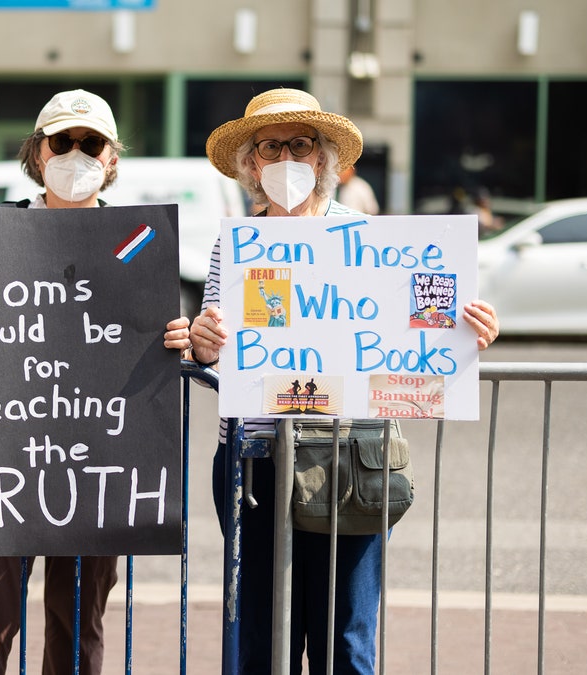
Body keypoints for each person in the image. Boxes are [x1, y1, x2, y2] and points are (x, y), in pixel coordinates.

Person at [188, 88, 500, 674]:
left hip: (349, 454)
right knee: (257, 635)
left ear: (324, 159)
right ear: (251, 164)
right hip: (253, 459)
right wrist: (205, 347)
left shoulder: (370, 238)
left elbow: (424, 321)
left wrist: (469, 329)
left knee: (345, 639)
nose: (285, 159)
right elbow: (220, 356)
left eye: (299, 145)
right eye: (270, 147)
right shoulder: (232, 248)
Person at [0, 89, 192, 674]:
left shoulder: (137, 245)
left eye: (91, 142)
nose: (76, 153)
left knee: (78, 630)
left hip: (97, 472)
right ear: (38, 151)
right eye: (63, 141)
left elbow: (155, 335)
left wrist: (176, 337)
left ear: (111, 158)